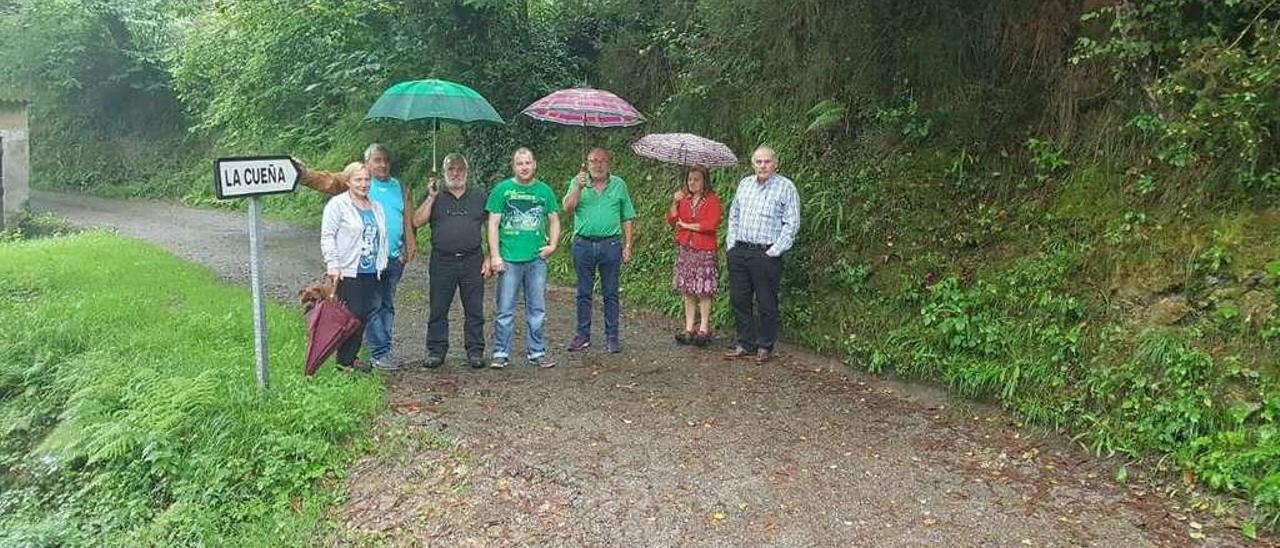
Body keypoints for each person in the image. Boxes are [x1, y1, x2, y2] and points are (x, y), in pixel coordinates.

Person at [296, 145, 416, 371]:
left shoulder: (388, 195)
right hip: (351, 268)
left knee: (374, 310)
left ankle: (365, 355)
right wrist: (304, 174)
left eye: (385, 161)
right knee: (355, 313)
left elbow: (402, 222)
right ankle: (356, 358)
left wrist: (405, 249)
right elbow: (328, 187)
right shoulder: (343, 197)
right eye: (376, 160)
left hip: (381, 265)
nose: (364, 183)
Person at [723, 146, 800, 364]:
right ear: (752, 163)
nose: (762, 166)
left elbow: (791, 223)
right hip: (740, 251)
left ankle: (765, 345)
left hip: (766, 254)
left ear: (775, 163)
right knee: (740, 299)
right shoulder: (745, 184)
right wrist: (731, 246)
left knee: (766, 302)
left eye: (767, 162)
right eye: (758, 162)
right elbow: (734, 215)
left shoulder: (786, 187)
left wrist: (773, 252)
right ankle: (745, 343)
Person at [413, 153, 490, 369]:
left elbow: (492, 226)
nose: (456, 173)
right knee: (438, 308)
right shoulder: (435, 195)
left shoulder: (479, 197)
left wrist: (491, 257)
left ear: (467, 172)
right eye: (451, 169)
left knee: (474, 308)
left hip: (472, 260)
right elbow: (417, 221)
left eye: (460, 169)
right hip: (442, 261)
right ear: (444, 172)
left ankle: (475, 351)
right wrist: (430, 197)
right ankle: (436, 351)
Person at [486, 147, 561, 369]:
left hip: (536, 259)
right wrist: (495, 255)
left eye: (528, 163)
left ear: (534, 164)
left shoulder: (544, 191)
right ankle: (500, 352)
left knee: (537, 308)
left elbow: (554, 219)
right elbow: (493, 223)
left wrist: (553, 245)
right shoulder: (502, 190)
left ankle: (537, 352)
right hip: (509, 258)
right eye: (520, 163)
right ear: (514, 166)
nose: (524, 167)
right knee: (505, 309)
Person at [561, 148, 636, 353]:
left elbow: (627, 217)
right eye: (593, 161)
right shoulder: (578, 182)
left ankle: (612, 337)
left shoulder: (619, 185)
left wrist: (628, 245)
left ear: (609, 163)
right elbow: (567, 208)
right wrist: (578, 186)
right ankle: (582, 335)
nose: (598, 165)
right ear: (587, 163)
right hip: (583, 244)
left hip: (611, 244)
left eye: (602, 161)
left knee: (610, 292)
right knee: (583, 292)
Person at [320, 162, 389, 372]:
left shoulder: (375, 206)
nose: (364, 184)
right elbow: (328, 235)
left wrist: (383, 262)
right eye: (358, 179)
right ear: (348, 181)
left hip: (371, 271)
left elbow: (381, 237)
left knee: (363, 316)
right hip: (348, 271)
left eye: (367, 179)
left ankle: (351, 359)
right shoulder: (338, 204)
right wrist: (333, 264)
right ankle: (344, 362)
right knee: (352, 316)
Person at [666, 165, 722, 347]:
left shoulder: (712, 200)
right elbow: (673, 221)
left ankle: (704, 328)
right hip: (686, 249)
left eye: (697, 179)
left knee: (704, 290)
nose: (692, 182)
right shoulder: (684, 199)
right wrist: (674, 203)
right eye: (690, 179)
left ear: (705, 181)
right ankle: (689, 327)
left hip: (704, 250)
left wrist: (688, 225)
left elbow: (710, 225)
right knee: (688, 289)